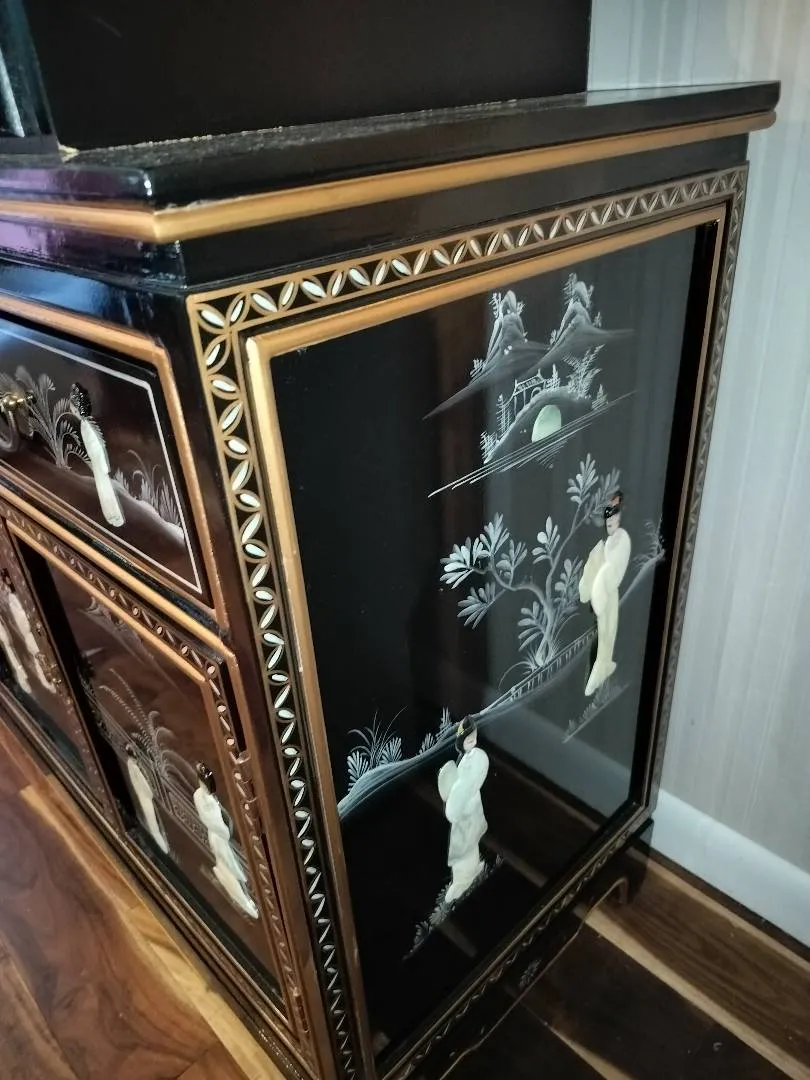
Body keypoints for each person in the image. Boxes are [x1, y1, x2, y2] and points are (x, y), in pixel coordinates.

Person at [579, 491, 632, 696]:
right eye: (608, 513)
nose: (610, 518)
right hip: (600, 597)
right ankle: (599, 669)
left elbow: (614, 571)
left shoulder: (622, 539)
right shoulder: (605, 543)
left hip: (607, 595)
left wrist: (600, 585)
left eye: (615, 512)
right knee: (600, 634)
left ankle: (602, 669)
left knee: (607, 632)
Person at [193, 763, 259, 919]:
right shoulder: (202, 797)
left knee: (229, 866)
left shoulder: (208, 797)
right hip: (218, 836)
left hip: (220, 835)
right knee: (228, 866)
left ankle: (244, 899)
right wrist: (224, 830)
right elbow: (210, 820)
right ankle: (244, 901)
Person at [437, 717, 489, 904]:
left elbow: (466, 786)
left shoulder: (476, 759)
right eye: (468, 740)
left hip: (469, 810)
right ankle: (461, 879)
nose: (473, 742)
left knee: (467, 845)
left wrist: (456, 802)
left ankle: (465, 878)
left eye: (474, 738)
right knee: (464, 846)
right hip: (465, 813)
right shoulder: (464, 761)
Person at [69, 382, 125, 528]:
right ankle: (111, 515)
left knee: (105, 489)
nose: (72, 411)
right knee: (103, 489)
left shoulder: (87, 427)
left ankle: (114, 515)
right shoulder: (84, 425)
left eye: (73, 409)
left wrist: (103, 466)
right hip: (97, 464)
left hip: (99, 464)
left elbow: (97, 448)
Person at [125, 744, 170, 854]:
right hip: (145, 796)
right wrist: (151, 794)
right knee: (153, 823)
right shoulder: (134, 767)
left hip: (144, 795)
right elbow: (144, 786)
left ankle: (163, 846)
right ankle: (164, 848)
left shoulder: (132, 765)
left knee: (154, 822)